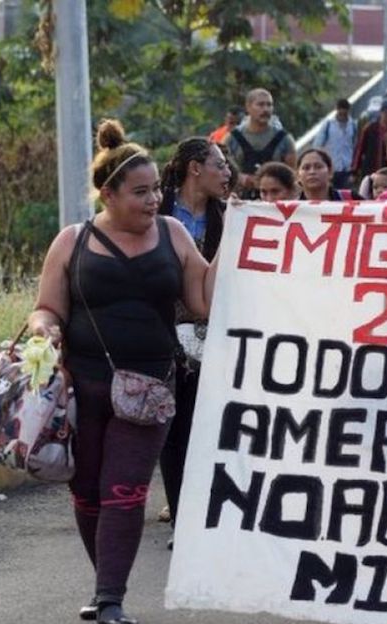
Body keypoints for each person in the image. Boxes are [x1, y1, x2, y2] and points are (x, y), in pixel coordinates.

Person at [28, 119, 219, 624]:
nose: (154, 199)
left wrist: (236, 242)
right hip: (82, 386)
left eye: (157, 188)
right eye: (141, 191)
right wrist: (43, 332)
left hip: (150, 387)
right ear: (107, 194)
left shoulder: (174, 235)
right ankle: (103, 584)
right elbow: (47, 307)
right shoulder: (72, 241)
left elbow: (202, 303)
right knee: (88, 491)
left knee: (124, 489)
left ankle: (111, 597)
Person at [154, 137, 230, 548]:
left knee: (213, 428)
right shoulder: (155, 209)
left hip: (217, 335)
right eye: (219, 164)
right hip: (164, 337)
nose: (228, 172)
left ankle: (208, 511)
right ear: (195, 168)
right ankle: (183, 518)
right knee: (175, 429)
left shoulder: (231, 215)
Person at [224, 88, 296, 198]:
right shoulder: (232, 139)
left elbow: (292, 175)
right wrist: (242, 178)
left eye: (269, 105)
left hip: (275, 202)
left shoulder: (285, 139)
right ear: (248, 107)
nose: (266, 109)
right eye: (261, 105)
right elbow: (222, 170)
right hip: (241, 201)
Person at [351, 98, 387, 182]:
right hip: (371, 170)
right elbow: (360, 149)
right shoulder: (370, 128)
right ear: (381, 113)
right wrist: (354, 171)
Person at [313, 98, 357, 189]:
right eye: (340, 113)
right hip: (332, 167)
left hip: (347, 168)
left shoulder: (353, 125)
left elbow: (355, 145)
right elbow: (317, 144)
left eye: (344, 114)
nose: (342, 116)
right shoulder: (328, 125)